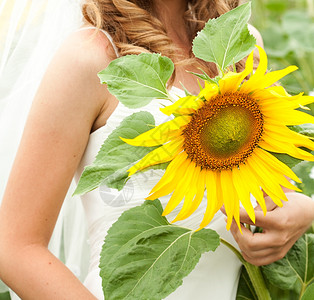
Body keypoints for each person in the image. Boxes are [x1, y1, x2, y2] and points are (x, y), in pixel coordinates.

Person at [0, 0, 313, 299]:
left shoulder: (240, 43)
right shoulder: (90, 56)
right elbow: (15, 247)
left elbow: (272, 184)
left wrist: (303, 210)